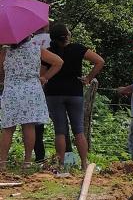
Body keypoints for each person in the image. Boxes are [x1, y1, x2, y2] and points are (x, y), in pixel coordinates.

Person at [44, 23, 104, 170]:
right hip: (74, 92)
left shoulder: (48, 52)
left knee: (60, 130)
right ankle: (84, 164)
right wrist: (88, 78)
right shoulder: (77, 48)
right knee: (78, 129)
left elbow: (42, 74)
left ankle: (61, 164)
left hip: (53, 92)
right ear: (67, 36)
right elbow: (99, 61)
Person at [0, 33, 63, 170]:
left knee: (8, 128)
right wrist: (44, 77)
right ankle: (27, 161)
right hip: (31, 91)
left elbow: (1, 72)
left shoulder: (5, 51)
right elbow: (58, 62)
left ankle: (2, 163)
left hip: (11, 91)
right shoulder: (36, 49)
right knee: (29, 126)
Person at [32, 24, 51, 164]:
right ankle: (66, 158)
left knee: (34, 123)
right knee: (61, 123)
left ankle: (39, 156)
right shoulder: (52, 39)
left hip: (33, 83)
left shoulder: (29, 42)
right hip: (52, 84)